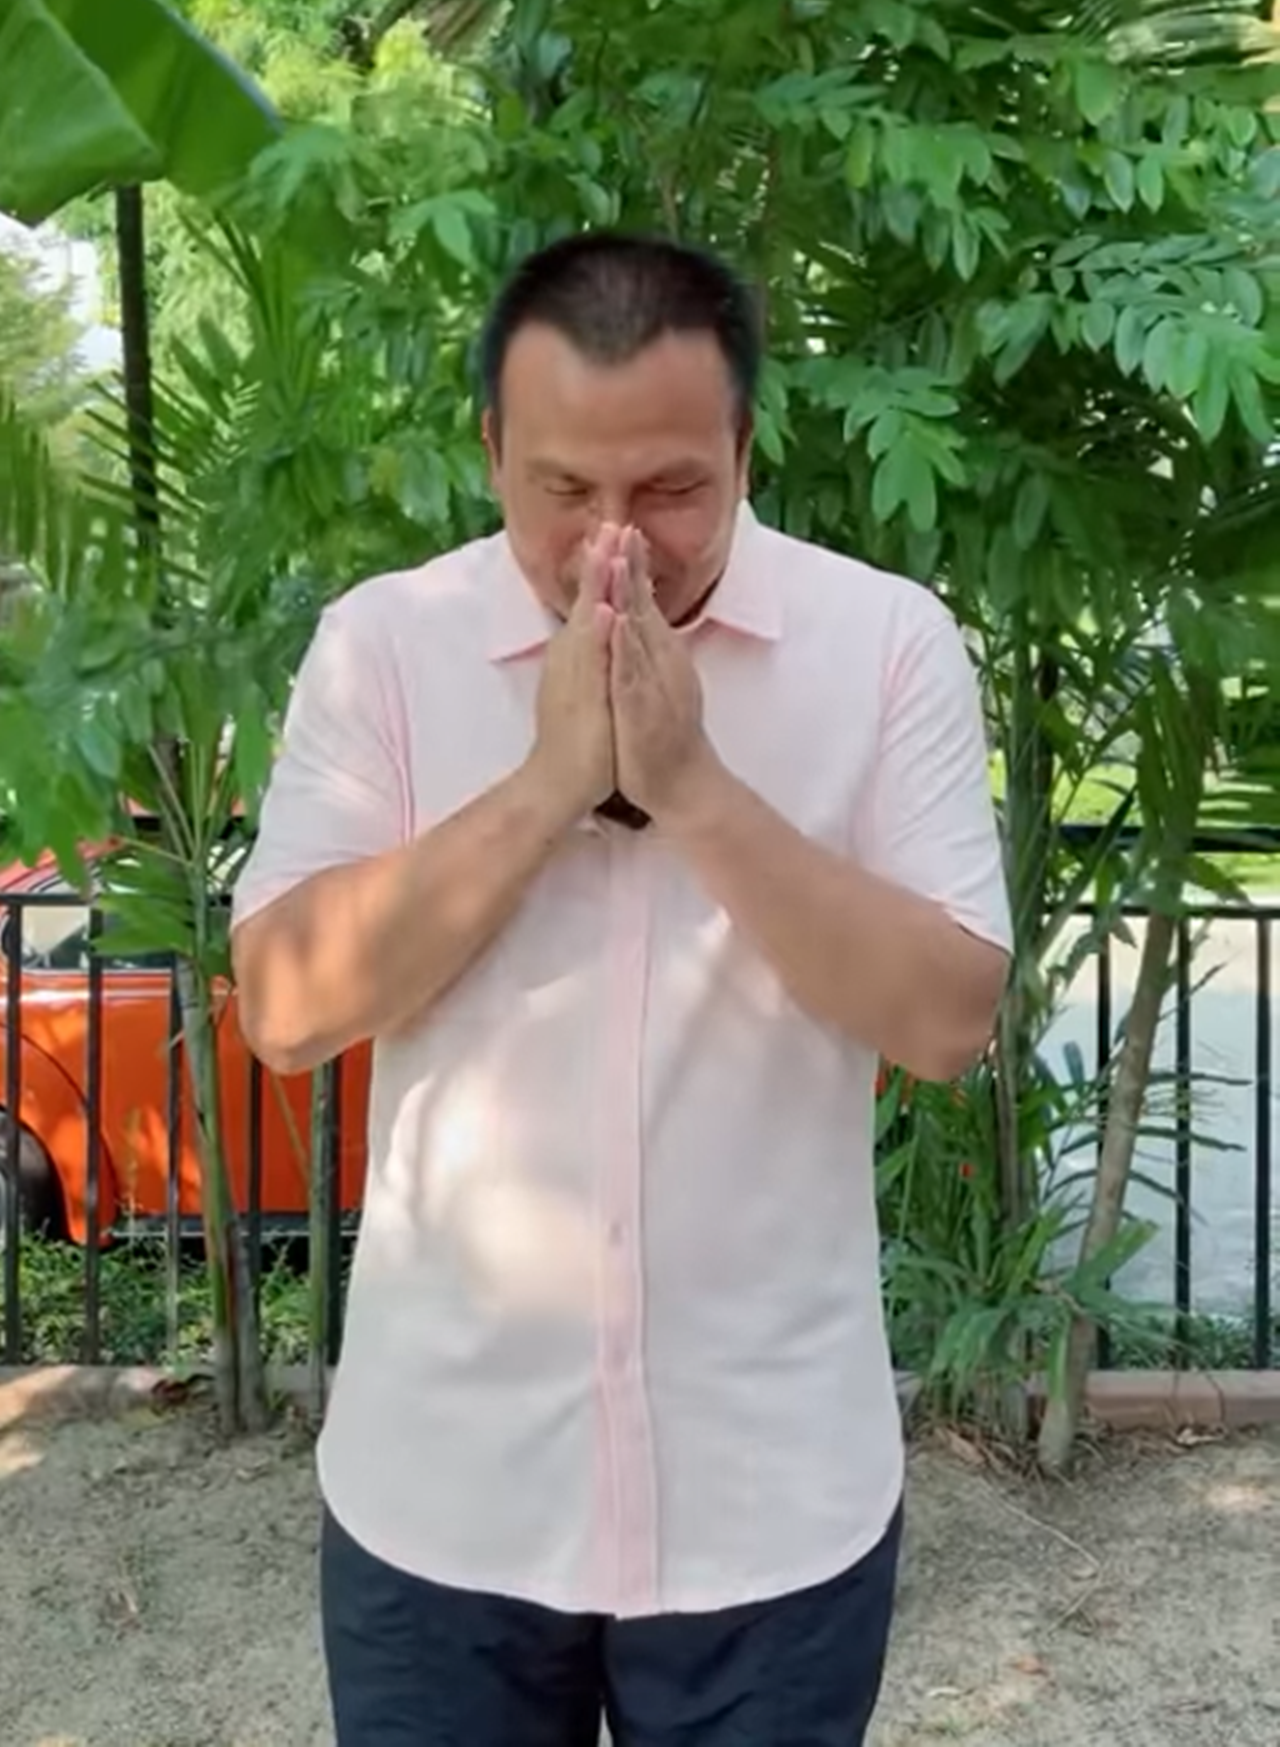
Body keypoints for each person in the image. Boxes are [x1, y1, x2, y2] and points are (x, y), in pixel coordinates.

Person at [231, 230, 1011, 1747]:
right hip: (443, 1491)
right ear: (491, 451)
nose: (615, 543)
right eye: (562, 489)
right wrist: (546, 783)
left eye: (669, 490)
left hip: (773, 1499)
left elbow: (946, 1018)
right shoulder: (386, 647)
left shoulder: (883, 647)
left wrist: (693, 784)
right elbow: (285, 1005)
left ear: (745, 446)